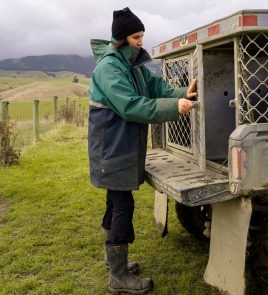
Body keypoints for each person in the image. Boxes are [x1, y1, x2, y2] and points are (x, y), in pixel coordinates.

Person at [88, 7, 197, 294]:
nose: (141, 41)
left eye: (142, 35)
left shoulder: (130, 64)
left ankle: (114, 264)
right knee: (122, 205)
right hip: (111, 149)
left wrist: (183, 93)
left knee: (115, 202)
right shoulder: (109, 68)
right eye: (136, 36)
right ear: (122, 38)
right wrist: (175, 108)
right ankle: (118, 277)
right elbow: (131, 105)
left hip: (119, 147)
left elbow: (155, 86)